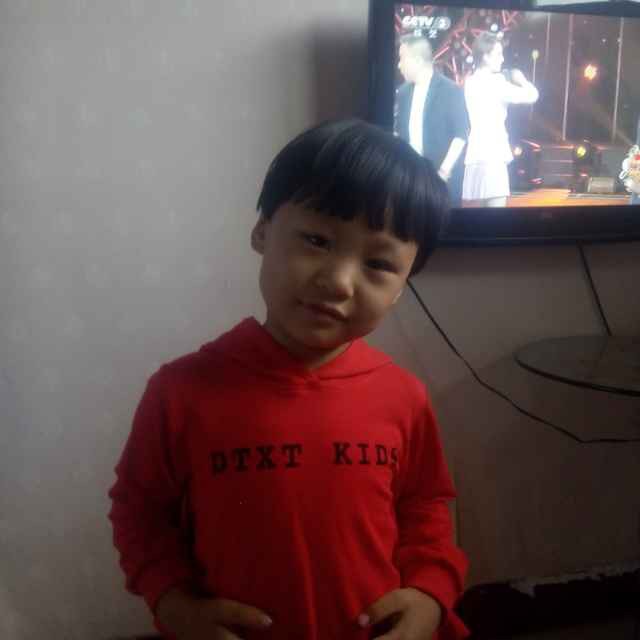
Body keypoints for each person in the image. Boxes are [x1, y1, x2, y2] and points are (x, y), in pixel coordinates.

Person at [108, 119, 469, 640]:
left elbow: (425, 507)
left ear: (401, 287)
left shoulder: (404, 397)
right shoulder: (180, 392)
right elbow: (139, 512)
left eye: (378, 263)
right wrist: (173, 602)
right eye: (317, 240)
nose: (337, 281)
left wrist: (430, 595)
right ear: (262, 231)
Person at [462, 32, 539, 207]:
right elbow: (532, 95)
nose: (502, 59)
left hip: (475, 155)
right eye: (498, 54)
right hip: (493, 155)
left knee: (477, 218)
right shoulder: (496, 83)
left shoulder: (470, 82)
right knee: (495, 217)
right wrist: (521, 79)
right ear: (485, 56)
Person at [395, 34, 469, 207]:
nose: (399, 65)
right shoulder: (403, 92)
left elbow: (461, 134)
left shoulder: (450, 90)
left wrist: (443, 172)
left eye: (402, 58)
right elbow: (400, 133)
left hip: (442, 181)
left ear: (418, 60)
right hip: (410, 179)